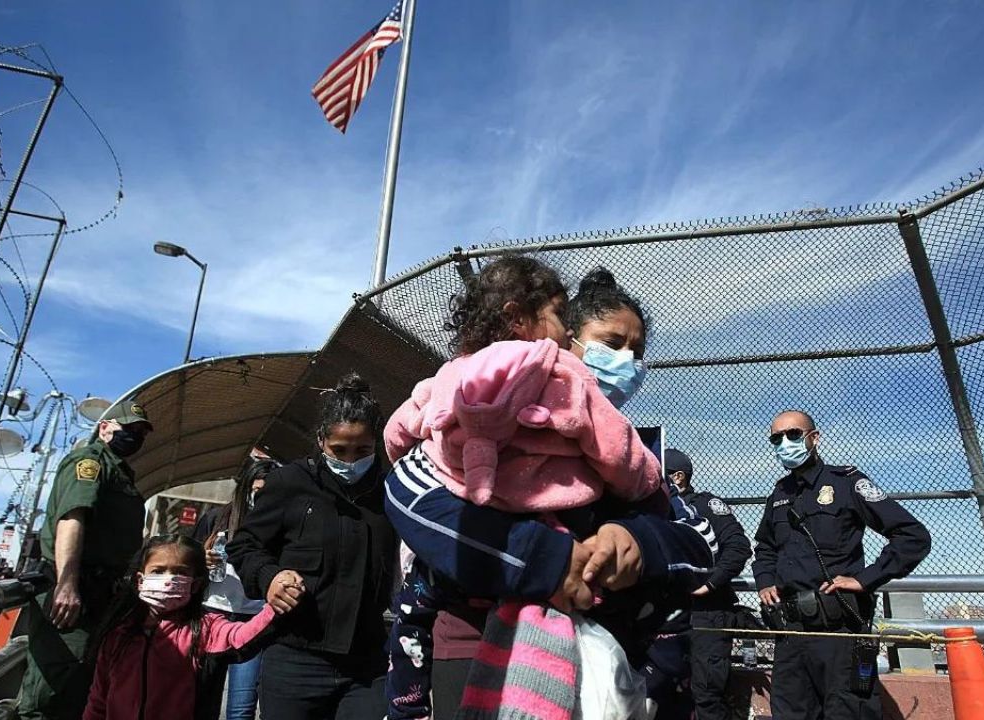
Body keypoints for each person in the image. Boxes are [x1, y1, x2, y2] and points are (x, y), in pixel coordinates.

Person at [385, 265, 720, 719]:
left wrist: (637, 541)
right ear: (565, 343)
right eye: (610, 344)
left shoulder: (628, 451)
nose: (626, 363)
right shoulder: (454, 428)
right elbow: (413, 498)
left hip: (606, 648)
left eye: (636, 352)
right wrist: (548, 561)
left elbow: (700, 541)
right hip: (474, 649)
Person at [228, 373, 398, 720]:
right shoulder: (290, 482)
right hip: (295, 660)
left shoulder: (392, 489)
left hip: (367, 665)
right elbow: (245, 545)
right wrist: (269, 577)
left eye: (362, 451)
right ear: (321, 440)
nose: (350, 461)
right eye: (339, 450)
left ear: (376, 445)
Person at [752, 410, 931, 720]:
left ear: (814, 438)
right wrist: (765, 580)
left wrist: (865, 579)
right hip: (790, 632)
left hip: (838, 630)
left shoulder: (847, 483)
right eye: (776, 438)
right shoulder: (779, 494)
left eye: (793, 435)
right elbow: (765, 546)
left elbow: (912, 536)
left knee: (847, 713)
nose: (784, 443)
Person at [19, 402, 154, 720]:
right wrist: (66, 584)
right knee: (54, 686)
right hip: (75, 589)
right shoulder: (91, 462)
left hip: (101, 593)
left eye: (139, 432)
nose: (134, 437)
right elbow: (72, 518)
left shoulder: (120, 471)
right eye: (128, 429)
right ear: (105, 427)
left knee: (83, 683)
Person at [83, 535, 281, 720]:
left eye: (180, 573)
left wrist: (277, 603)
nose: (168, 580)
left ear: (194, 585)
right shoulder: (119, 635)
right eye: (158, 571)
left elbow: (239, 637)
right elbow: (98, 698)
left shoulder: (206, 628)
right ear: (140, 581)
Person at [665, 448, 753, 720]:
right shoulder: (656, 511)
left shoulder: (705, 505)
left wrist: (711, 584)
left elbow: (738, 546)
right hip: (669, 614)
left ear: (678, 477)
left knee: (706, 694)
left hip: (707, 612)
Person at [192, 458, 276, 720]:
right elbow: (186, 559)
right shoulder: (217, 518)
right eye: (256, 490)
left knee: (241, 708)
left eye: (268, 492)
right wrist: (200, 560)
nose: (261, 497)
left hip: (253, 620)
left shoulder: (281, 523)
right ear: (245, 489)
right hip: (211, 616)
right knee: (201, 698)